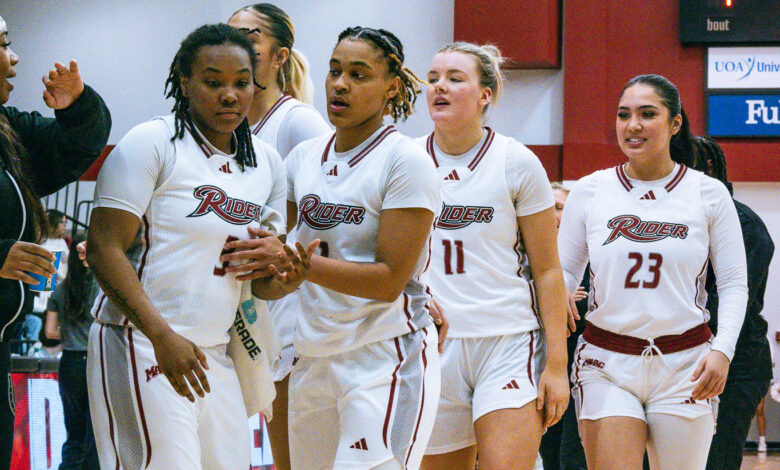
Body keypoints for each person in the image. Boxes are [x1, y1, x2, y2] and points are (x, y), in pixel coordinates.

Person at [85, 24, 312, 470]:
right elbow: (102, 248)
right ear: (185, 83)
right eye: (213, 82)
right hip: (141, 340)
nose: (230, 94)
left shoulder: (266, 162)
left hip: (215, 352)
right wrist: (161, 335)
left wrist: (285, 278)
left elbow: (259, 285)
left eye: (241, 82)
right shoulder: (151, 142)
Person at [558, 74, 748, 470]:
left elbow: (733, 283)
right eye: (624, 115)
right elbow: (560, 275)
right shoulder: (591, 191)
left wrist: (723, 351)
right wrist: (551, 354)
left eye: (648, 114)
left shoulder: (707, 193)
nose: (633, 125)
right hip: (606, 362)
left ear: (674, 123)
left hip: (686, 363)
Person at [284, 26, 441, 470]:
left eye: (358, 74)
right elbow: (282, 266)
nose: (339, 84)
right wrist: (266, 269)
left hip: (385, 357)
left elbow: (391, 280)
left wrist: (303, 268)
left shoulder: (405, 161)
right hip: (313, 356)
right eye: (335, 71)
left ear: (392, 87)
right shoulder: (303, 158)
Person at [414, 42, 568, 470]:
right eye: (433, 78)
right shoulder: (406, 160)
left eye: (454, 78)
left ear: (485, 94)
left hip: (507, 340)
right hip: (431, 342)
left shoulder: (516, 161)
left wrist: (556, 365)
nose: (439, 87)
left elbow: (548, 270)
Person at [0, 13, 111, 469]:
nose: (14, 57)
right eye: (4, 44)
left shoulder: (6, 129)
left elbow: (72, 150)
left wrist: (78, 107)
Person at [224, 6, 330, 469]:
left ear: (279, 55)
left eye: (249, 36)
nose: (235, 44)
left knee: (296, 457)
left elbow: (334, 214)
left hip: (293, 307)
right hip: (249, 303)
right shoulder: (232, 127)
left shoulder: (298, 122)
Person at [690, 136, 775, 470]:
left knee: (715, 462)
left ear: (708, 169)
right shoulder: (671, 220)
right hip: (678, 361)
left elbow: (729, 305)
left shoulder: (745, 225)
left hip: (735, 365)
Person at [540, 182, 588, 470]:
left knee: (573, 457)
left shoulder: (591, 255)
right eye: (551, 209)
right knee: (548, 454)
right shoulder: (523, 254)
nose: (555, 216)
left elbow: (587, 310)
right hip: (540, 367)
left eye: (561, 210)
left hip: (581, 372)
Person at [45, 233, 99, 470]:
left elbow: (49, 332)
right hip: (94, 362)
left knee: (74, 432)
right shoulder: (100, 287)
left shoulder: (59, 290)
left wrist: (69, 333)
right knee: (96, 435)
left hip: (69, 363)